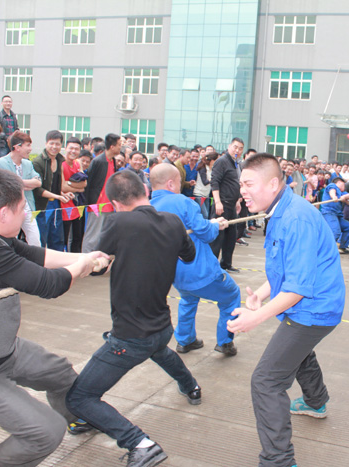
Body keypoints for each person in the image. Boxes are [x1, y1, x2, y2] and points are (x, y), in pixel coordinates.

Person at [0, 168, 107, 467]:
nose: (25, 213)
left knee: (62, 375)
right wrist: (83, 267)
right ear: (3, 213)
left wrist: (86, 257)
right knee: (46, 432)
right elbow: (49, 284)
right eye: (22, 208)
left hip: (4, 350)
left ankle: (77, 416)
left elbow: (36, 255)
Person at [65, 170, 199, 467]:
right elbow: (188, 256)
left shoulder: (118, 222)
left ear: (115, 203)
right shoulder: (173, 222)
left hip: (130, 337)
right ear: (145, 190)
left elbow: (99, 262)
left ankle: (140, 443)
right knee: (159, 351)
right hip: (161, 328)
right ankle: (191, 385)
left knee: (79, 398)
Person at [228, 153, 345, 467]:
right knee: (297, 351)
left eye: (249, 184)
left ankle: (278, 460)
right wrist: (261, 295)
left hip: (314, 309)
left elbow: (297, 288)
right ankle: (316, 401)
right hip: (313, 306)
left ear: (273, 184)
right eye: (241, 184)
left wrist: (256, 317)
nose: (243, 191)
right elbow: (286, 270)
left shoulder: (295, 218)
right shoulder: (280, 211)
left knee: (266, 381)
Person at [149, 164, 240, 356]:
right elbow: (206, 233)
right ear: (171, 183)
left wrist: (210, 224)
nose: (181, 185)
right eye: (179, 182)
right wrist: (215, 225)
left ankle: (185, 340)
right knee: (232, 295)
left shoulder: (148, 207)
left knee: (188, 299)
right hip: (201, 271)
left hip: (175, 273)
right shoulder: (183, 202)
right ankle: (225, 341)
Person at [0, 131, 42, 247]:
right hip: (9, 206)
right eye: (28, 145)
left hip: (26, 204)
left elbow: (38, 182)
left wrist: (17, 182)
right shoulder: (0, 163)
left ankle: (37, 257)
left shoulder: (28, 164)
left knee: (35, 237)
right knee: (10, 237)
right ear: (17, 147)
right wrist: (26, 184)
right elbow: (5, 185)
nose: (30, 149)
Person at [32, 130, 74, 250]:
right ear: (46, 143)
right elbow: (37, 190)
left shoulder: (60, 160)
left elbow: (55, 186)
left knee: (57, 239)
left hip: (56, 204)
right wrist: (57, 196)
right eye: (51, 143)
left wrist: (63, 194)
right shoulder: (38, 162)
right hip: (42, 206)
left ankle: (57, 261)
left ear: (61, 145)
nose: (54, 147)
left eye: (57, 144)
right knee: (41, 239)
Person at [210, 137, 244, 272]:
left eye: (240, 148)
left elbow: (234, 183)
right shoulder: (222, 161)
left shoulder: (236, 163)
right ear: (229, 146)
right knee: (217, 238)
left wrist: (237, 201)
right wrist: (217, 202)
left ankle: (226, 264)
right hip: (222, 204)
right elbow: (215, 182)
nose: (237, 150)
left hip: (232, 205)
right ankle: (212, 267)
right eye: (235, 147)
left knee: (231, 237)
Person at [82, 133, 120, 253]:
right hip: (97, 205)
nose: (120, 148)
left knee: (104, 235)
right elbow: (89, 182)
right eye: (119, 145)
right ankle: (86, 257)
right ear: (112, 147)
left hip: (109, 204)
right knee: (92, 236)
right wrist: (89, 202)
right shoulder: (98, 161)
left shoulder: (113, 161)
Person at [60, 137, 86, 252]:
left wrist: (69, 184)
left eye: (76, 149)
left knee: (78, 236)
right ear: (65, 148)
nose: (73, 151)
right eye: (71, 148)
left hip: (77, 204)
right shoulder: (61, 163)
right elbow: (62, 187)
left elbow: (84, 184)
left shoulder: (78, 163)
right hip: (64, 204)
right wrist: (77, 187)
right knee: (64, 237)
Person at [319, 176, 349, 254]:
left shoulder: (342, 193)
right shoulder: (332, 185)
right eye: (343, 184)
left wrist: (344, 196)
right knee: (335, 231)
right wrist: (334, 197)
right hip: (329, 213)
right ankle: (325, 250)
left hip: (337, 215)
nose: (344, 186)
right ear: (339, 182)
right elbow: (332, 191)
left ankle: (342, 247)